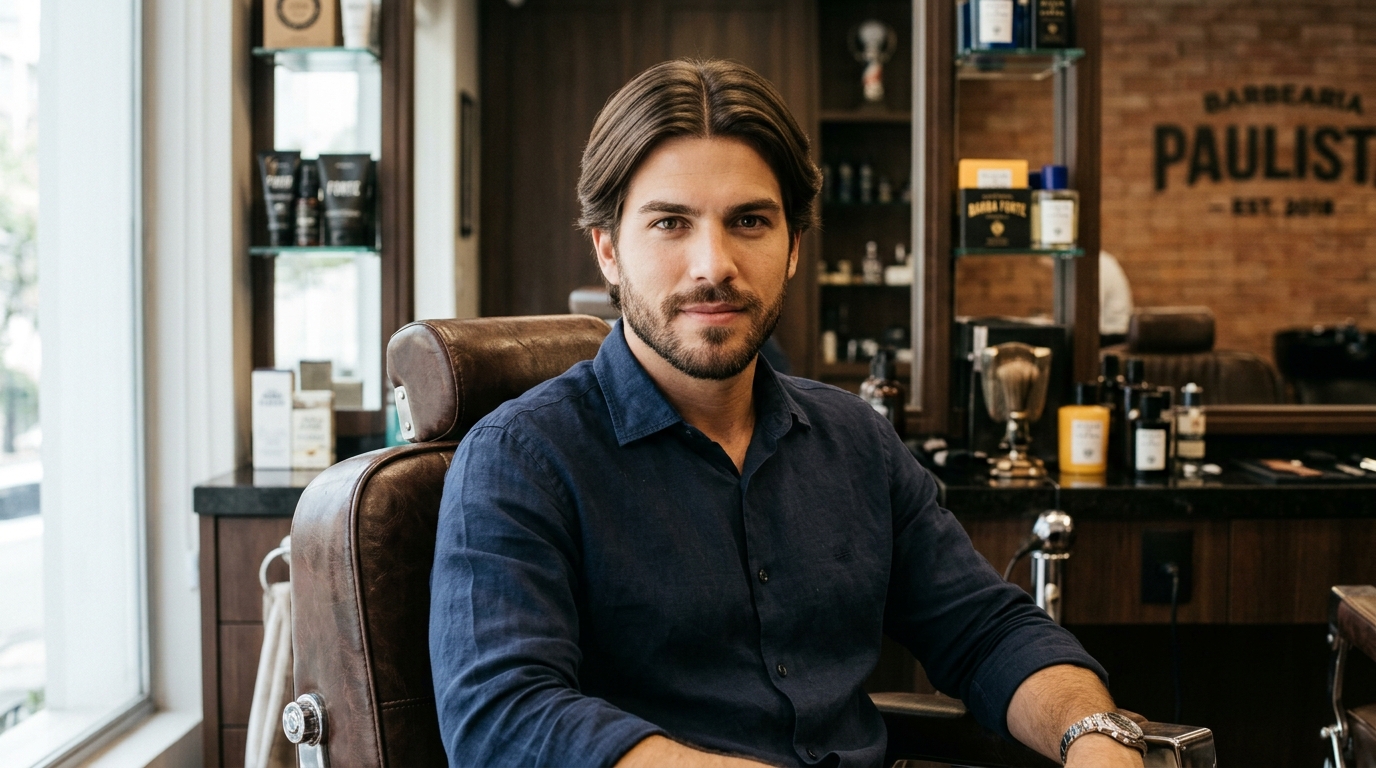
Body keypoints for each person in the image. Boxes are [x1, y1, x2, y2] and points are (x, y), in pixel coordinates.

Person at [430, 59, 1145, 768]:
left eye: (749, 221)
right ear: (609, 250)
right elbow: (504, 719)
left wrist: (1094, 736)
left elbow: (987, 630)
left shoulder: (856, 440)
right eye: (671, 223)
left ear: (795, 246)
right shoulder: (521, 459)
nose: (713, 265)